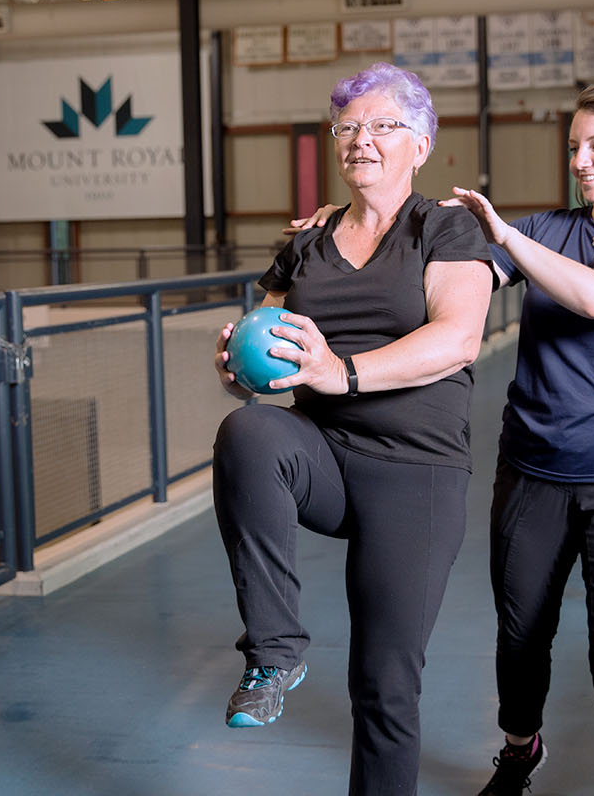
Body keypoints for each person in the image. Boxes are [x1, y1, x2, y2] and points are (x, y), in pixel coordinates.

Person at [295, 81, 594, 795]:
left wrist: (505, 234)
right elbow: (444, 275)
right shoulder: (549, 229)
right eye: (573, 146)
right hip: (533, 470)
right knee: (520, 639)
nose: (580, 160)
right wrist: (355, 225)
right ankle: (520, 750)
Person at [211, 61, 493, 795]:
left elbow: (458, 338)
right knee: (248, 433)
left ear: (421, 144)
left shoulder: (445, 228)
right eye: (347, 127)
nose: (360, 140)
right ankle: (274, 652)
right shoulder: (306, 243)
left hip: (417, 474)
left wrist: (346, 372)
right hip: (325, 459)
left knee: (384, 683)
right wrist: (238, 366)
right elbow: (265, 341)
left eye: (380, 126)